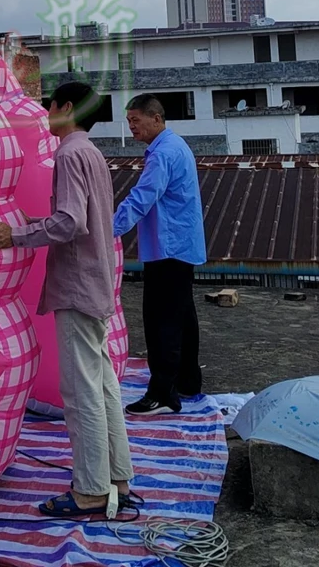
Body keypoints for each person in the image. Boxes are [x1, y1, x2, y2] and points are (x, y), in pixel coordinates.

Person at [0, 81, 134, 519]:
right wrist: (34, 222)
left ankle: (90, 491)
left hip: (78, 287)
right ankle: (118, 479)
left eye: (50, 105)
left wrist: (18, 234)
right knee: (104, 388)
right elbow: (78, 218)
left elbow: (69, 223)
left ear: (66, 107)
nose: (46, 112)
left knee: (81, 392)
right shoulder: (92, 153)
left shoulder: (67, 154)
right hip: (98, 283)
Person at [113, 94, 207, 416]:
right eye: (129, 122)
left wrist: (107, 229)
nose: (132, 127)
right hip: (179, 246)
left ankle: (163, 392)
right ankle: (187, 381)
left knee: (161, 321)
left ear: (156, 118)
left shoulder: (163, 154)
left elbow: (141, 199)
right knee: (181, 318)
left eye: (136, 121)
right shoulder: (174, 146)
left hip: (168, 249)